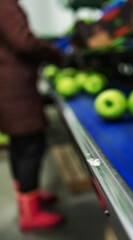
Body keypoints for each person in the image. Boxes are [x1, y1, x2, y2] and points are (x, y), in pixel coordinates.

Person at [0, 0, 64, 231]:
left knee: (20, 145)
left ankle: (29, 196)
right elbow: (24, 42)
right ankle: (30, 213)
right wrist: (56, 54)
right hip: (14, 89)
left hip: (6, 88)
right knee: (30, 145)